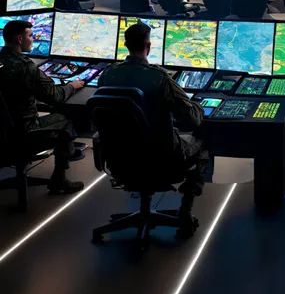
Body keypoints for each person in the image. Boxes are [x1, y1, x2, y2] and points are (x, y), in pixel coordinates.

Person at [97, 23, 211, 237]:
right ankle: (185, 210)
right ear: (148, 46)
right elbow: (194, 119)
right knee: (203, 142)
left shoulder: (107, 75)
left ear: (125, 45)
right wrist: (197, 104)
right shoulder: (159, 78)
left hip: (120, 161)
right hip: (163, 160)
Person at [0, 20, 85, 193]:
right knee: (65, 122)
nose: (33, 39)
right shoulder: (26, 68)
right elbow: (55, 97)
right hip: (24, 133)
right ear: (19, 39)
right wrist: (72, 86)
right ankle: (59, 179)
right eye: (30, 36)